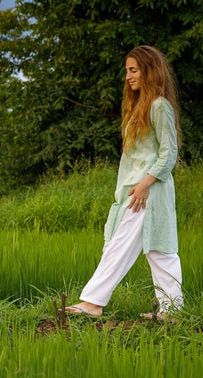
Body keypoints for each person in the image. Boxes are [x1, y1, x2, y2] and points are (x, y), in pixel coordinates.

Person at [66, 45, 183, 321]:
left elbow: (169, 152)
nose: (128, 77)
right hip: (135, 189)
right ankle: (173, 310)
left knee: (123, 245)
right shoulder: (139, 106)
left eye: (133, 70)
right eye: (127, 71)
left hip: (147, 190)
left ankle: (93, 302)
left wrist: (144, 185)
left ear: (149, 71)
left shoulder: (159, 106)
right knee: (158, 251)